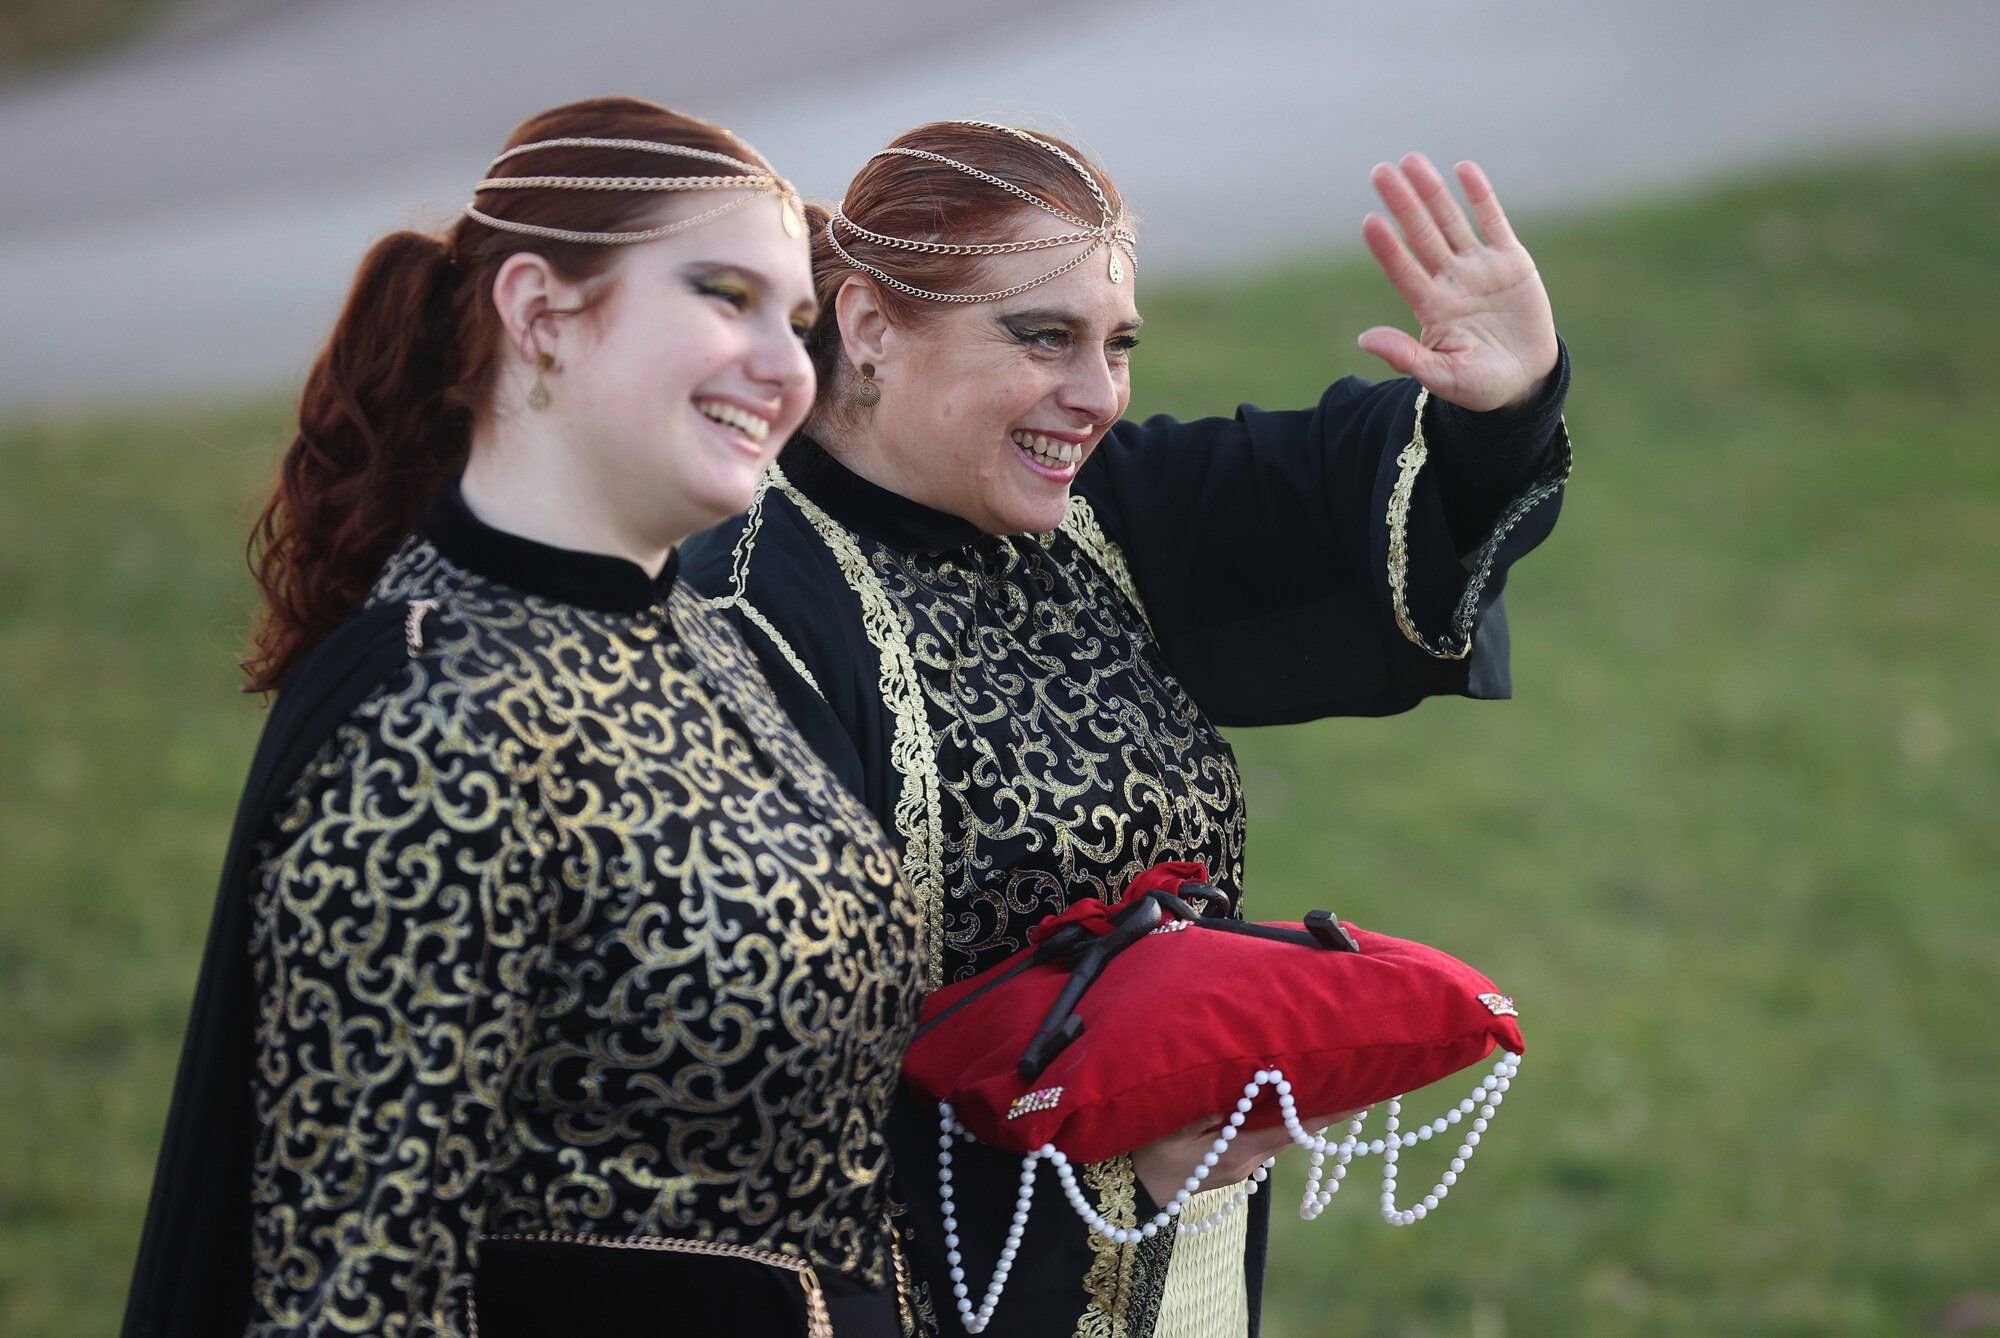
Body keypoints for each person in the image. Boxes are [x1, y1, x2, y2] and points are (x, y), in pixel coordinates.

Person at [681, 120, 1572, 1337]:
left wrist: (1502, 404)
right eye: (1042, 336)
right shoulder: (743, 605)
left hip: (1180, 1262)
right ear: (871, 329)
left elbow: (1333, 495)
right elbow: (736, 1077)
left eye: (1118, 345)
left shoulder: (1096, 512)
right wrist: (1111, 1170)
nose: (1095, 396)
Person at [123, 97, 928, 1338]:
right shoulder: (437, 720)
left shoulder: (708, 647)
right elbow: (362, 1295)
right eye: (725, 296)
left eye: (801, 320)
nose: (787, 366)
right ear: (541, 314)